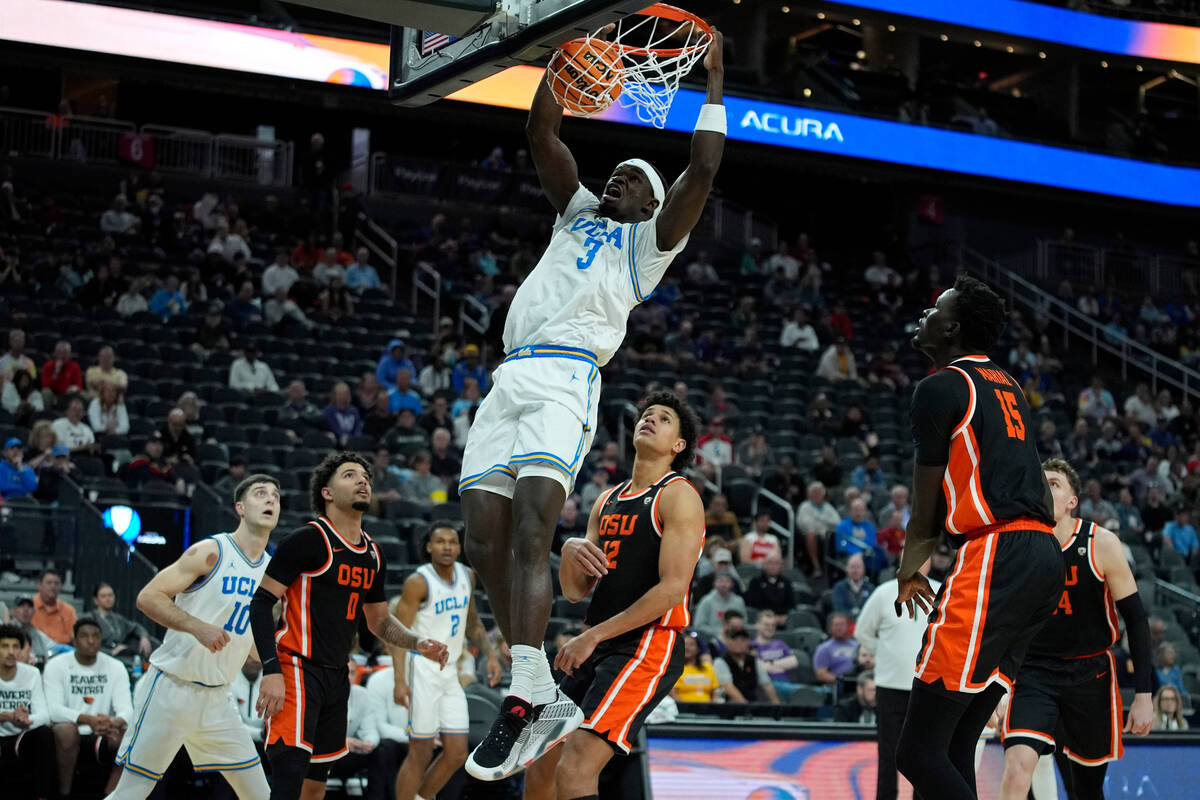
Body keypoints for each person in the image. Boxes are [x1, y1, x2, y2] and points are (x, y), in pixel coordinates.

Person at [460, 30, 726, 782]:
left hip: (568, 377)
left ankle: (523, 691)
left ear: (648, 202)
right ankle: (537, 689)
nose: (615, 181)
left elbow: (700, 169)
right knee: (483, 537)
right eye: (612, 175)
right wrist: (559, 68)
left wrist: (711, 89)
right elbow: (540, 130)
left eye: (630, 179)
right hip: (510, 376)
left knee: (534, 523)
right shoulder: (573, 212)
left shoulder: (647, 245)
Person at [893, 276, 1064, 800]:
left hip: (997, 552)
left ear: (956, 327)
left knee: (916, 753)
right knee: (953, 744)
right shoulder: (1008, 383)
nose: (926, 313)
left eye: (936, 308)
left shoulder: (940, 387)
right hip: (1042, 556)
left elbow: (925, 512)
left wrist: (908, 569)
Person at [519, 391, 707, 798]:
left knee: (576, 767)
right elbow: (574, 590)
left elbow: (673, 590)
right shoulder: (607, 500)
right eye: (647, 415)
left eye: (664, 419)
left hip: (647, 645)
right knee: (538, 756)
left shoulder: (678, 495)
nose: (650, 419)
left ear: (679, 446)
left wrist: (593, 635)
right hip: (599, 639)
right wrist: (568, 548)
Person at [249, 452, 448, 800]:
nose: (363, 481)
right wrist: (271, 671)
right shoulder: (307, 540)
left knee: (315, 786)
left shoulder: (373, 553)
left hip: (337, 677)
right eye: (350, 475)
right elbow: (261, 602)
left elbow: (379, 621)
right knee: (289, 778)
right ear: (326, 492)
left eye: (366, 477)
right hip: (296, 668)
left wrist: (419, 643)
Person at [104, 474, 281, 800]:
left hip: (218, 700)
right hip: (170, 690)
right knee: (131, 793)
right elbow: (148, 597)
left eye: (275, 496)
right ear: (240, 507)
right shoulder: (211, 551)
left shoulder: (271, 574)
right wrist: (196, 626)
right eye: (261, 494)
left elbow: (254, 646)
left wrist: (278, 667)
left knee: (260, 794)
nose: (271, 500)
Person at [999, 458, 1155, 800]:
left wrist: (1144, 695)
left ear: (1072, 501)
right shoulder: (1016, 545)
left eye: (1053, 483)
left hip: (1090, 673)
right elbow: (1001, 623)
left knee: (1086, 788)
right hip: (1032, 672)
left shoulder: (1102, 543)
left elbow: (1137, 619)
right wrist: (996, 684)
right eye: (1039, 482)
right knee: (1017, 769)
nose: (1044, 487)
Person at [391, 523, 501, 800]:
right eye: (440, 541)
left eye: (452, 542)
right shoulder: (418, 582)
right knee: (421, 751)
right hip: (421, 668)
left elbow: (472, 620)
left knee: (457, 752)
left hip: (449, 670)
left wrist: (490, 654)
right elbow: (398, 635)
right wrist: (399, 680)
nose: (447, 547)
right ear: (429, 547)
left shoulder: (467, 576)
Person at [855, 558, 940, 800]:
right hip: (890, 685)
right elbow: (862, 631)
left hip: (927, 685)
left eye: (922, 558)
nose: (916, 561)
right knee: (888, 753)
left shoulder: (941, 590)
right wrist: (884, 651)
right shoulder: (883, 593)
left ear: (930, 563)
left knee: (925, 753)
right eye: (910, 555)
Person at [44, 617, 133, 797]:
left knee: (127, 734)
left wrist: (114, 721)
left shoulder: (116, 666)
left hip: (104, 730)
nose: (91, 640)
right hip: (70, 729)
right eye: (84, 636)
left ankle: (112, 794)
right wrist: (89, 720)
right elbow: (54, 710)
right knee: (66, 731)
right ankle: (64, 794)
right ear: (74, 640)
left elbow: (127, 709)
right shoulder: (57, 665)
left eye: (96, 636)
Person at [0, 624, 56, 800]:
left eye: (15, 646)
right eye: (5, 646)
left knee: (45, 733)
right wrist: (8, 716)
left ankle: (42, 797)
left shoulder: (31, 674)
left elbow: (44, 715)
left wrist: (26, 719)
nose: (11, 652)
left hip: (20, 736)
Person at [90, 583, 152, 669]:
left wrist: (144, 637)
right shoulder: (90, 619)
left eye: (110, 595)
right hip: (102, 658)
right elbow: (87, 644)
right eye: (103, 596)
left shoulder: (119, 619)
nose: (108, 599)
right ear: (96, 600)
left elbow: (136, 627)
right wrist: (111, 652)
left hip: (122, 656)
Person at [797, 480, 841, 577]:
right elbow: (805, 524)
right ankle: (816, 566)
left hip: (827, 535)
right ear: (809, 495)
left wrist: (819, 520)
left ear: (823, 494)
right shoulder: (804, 506)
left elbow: (837, 522)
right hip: (809, 535)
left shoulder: (828, 507)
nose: (816, 495)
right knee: (811, 534)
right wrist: (824, 524)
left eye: (819, 493)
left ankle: (834, 567)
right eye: (814, 493)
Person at [744, 553, 794, 623]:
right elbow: (752, 606)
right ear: (764, 564)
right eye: (770, 563)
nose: (773, 566)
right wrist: (767, 618)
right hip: (760, 620)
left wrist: (782, 618)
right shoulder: (755, 582)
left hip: (782, 622)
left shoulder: (787, 583)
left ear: (781, 565)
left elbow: (791, 606)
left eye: (776, 563)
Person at [671, 633, 719, 703]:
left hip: (707, 709)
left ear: (698, 649)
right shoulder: (675, 669)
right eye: (685, 644)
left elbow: (716, 691)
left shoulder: (708, 667)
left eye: (691, 644)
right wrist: (683, 707)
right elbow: (673, 693)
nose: (687, 647)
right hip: (684, 710)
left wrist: (712, 707)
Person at [813, 612, 858, 687]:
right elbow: (821, 674)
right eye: (836, 625)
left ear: (848, 627)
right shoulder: (824, 648)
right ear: (830, 628)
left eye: (842, 625)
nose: (839, 628)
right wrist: (842, 680)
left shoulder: (857, 645)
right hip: (839, 684)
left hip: (859, 682)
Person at [32, 568, 76, 645]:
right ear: (40, 585)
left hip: (62, 652)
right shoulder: (29, 607)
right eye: (49, 583)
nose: (53, 586)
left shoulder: (68, 610)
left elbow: (73, 637)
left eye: (56, 583)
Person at [832, 553, 874, 618]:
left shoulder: (870, 588)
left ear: (864, 570)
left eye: (858, 567)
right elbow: (839, 609)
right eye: (852, 567)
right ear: (847, 569)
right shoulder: (839, 587)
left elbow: (872, 609)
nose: (855, 570)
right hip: (846, 623)